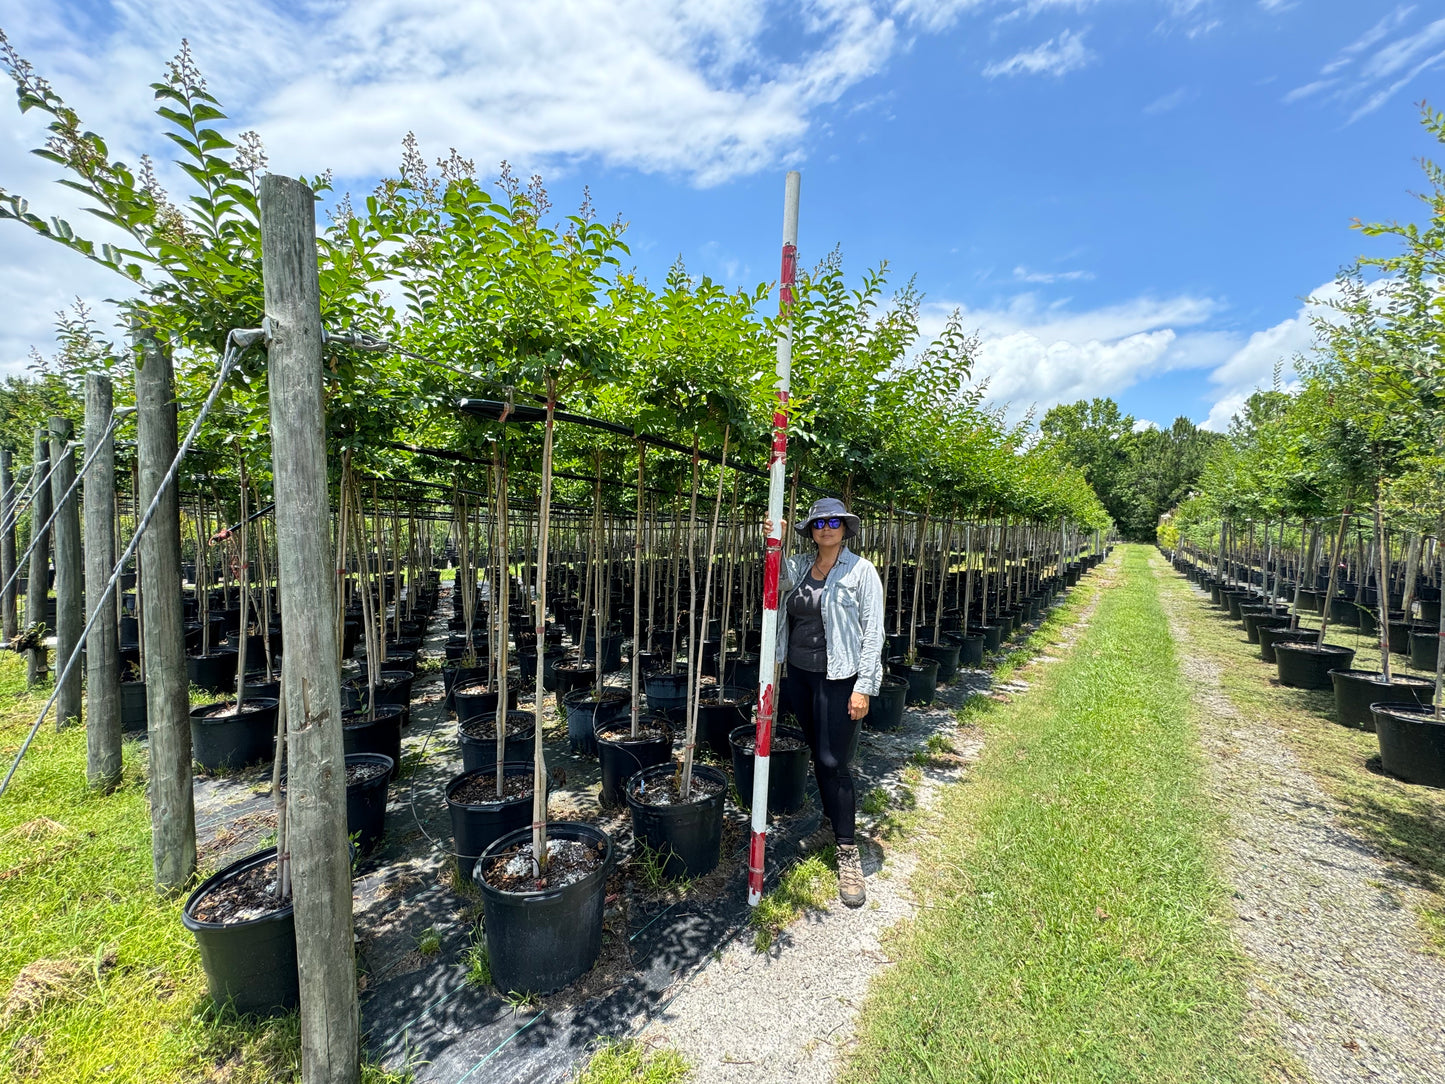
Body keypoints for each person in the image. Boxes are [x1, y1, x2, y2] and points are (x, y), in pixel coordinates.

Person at [763, 497, 883, 907]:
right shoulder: (798, 567)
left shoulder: (861, 572)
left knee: (834, 761)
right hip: (800, 674)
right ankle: (831, 823)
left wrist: (864, 686)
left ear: (845, 528)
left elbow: (874, 632)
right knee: (817, 754)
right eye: (818, 523)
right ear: (810, 531)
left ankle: (847, 850)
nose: (826, 528)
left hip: (840, 677)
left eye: (834, 522)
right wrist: (772, 541)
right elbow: (772, 580)